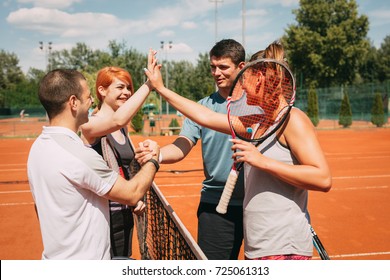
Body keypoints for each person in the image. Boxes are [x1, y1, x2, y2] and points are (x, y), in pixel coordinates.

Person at [141, 41, 332, 260]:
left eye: (245, 78)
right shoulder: (259, 122)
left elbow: (323, 178)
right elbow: (206, 116)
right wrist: (161, 89)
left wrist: (260, 160)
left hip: (283, 246)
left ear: (259, 78)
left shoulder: (293, 119)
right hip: (260, 246)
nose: (240, 85)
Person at [27, 68, 160, 260]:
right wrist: (154, 160)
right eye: (88, 97)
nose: (91, 102)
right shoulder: (80, 156)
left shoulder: (37, 148)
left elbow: (38, 207)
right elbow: (132, 193)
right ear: (73, 102)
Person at [138, 39, 246, 260]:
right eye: (212, 67)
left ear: (241, 67)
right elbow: (182, 146)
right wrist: (158, 153)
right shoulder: (202, 106)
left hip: (256, 202)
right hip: (216, 204)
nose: (216, 73)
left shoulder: (256, 105)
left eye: (223, 67)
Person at [80, 51, 156, 258]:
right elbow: (118, 120)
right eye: (120, 87)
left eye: (129, 87)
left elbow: (126, 169)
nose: (127, 92)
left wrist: (134, 198)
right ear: (102, 90)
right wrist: (150, 84)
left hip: (124, 215)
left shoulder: (122, 129)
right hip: (102, 218)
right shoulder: (90, 124)